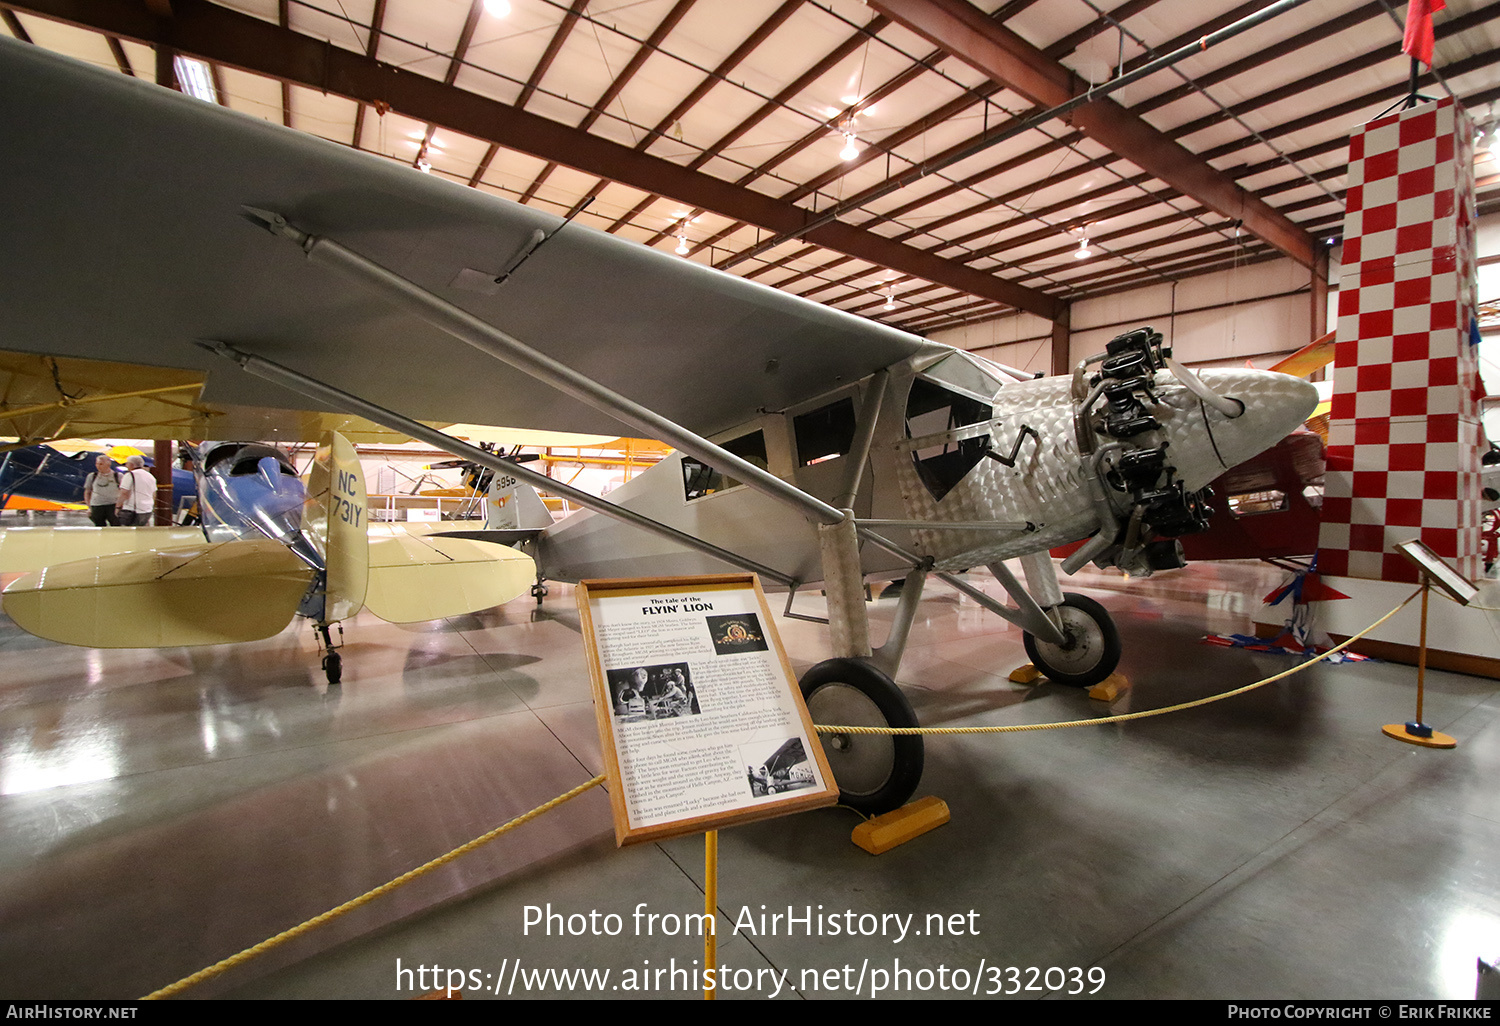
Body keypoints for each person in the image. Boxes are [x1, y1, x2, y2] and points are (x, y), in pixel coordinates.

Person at [116, 455, 156, 526]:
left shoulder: (130, 475)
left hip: (132, 510)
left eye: (127, 463)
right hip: (147, 510)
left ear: (132, 464)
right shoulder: (150, 476)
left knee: (128, 533)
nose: (126, 465)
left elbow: (124, 493)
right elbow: (154, 494)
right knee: (140, 532)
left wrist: (118, 507)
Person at [82, 454, 121, 527]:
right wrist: (89, 507)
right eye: (97, 464)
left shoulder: (118, 476)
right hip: (97, 505)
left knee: (116, 526)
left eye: (101, 464)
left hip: (113, 505)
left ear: (108, 464)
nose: (98, 466)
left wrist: (120, 506)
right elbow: (87, 492)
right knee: (99, 526)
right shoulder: (92, 476)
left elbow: (123, 491)